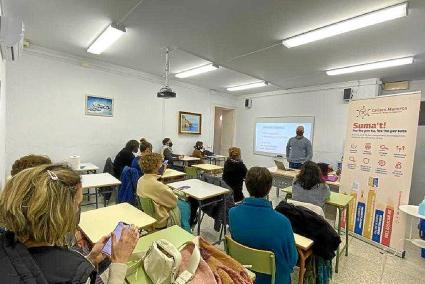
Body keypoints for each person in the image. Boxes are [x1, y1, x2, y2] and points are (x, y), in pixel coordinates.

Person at [0, 164, 139, 283]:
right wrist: (119, 262)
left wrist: (89, 259)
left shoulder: (6, 243)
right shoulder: (73, 273)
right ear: (61, 215)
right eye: (78, 204)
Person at [229, 167, 298, 284]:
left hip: (243, 274)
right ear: (270, 188)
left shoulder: (232, 213)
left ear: (246, 185)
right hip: (273, 280)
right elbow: (292, 260)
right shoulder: (282, 222)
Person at [137, 153, 191, 231]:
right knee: (185, 205)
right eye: (161, 163)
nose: (162, 165)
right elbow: (173, 203)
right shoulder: (157, 186)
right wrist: (175, 194)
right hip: (161, 220)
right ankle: (186, 230)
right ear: (155, 166)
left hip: (150, 216)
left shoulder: (141, 180)